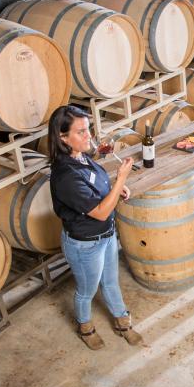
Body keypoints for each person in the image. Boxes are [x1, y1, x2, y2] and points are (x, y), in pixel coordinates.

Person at [48, 105, 142, 350]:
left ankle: (123, 322)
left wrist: (115, 189)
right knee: (86, 291)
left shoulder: (80, 157)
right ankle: (85, 326)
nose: (88, 136)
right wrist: (121, 178)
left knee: (111, 282)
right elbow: (100, 212)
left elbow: (95, 189)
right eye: (81, 132)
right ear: (63, 137)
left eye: (88, 129)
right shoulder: (64, 175)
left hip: (107, 235)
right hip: (85, 245)